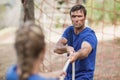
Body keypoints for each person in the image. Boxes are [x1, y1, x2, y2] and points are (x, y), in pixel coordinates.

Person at [54, 4, 98, 80]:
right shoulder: (69, 30)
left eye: (79, 16)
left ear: (85, 18)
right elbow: (56, 48)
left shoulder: (90, 35)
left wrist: (76, 55)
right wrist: (66, 48)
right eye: (73, 16)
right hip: (68, 75)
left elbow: (85, 50)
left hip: (84, 76)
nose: (76, 19)